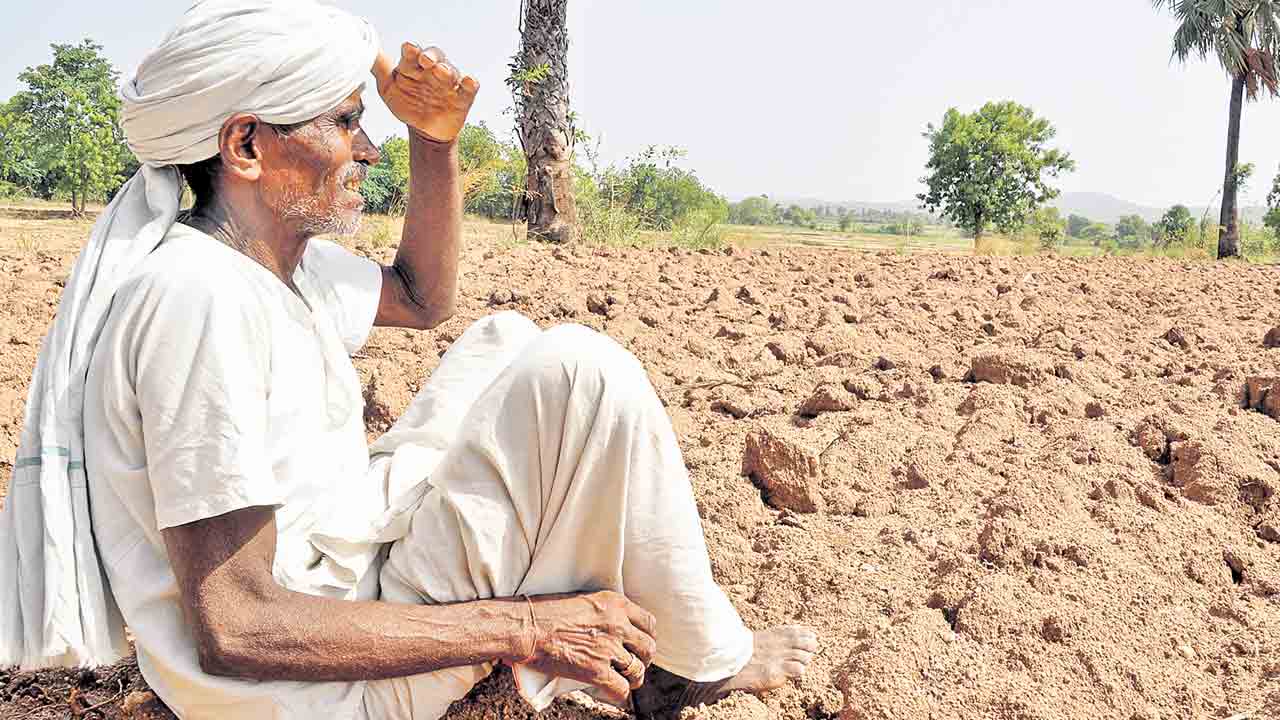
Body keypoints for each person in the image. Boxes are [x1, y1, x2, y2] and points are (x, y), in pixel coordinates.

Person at [0, 2, 818, 719]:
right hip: (306, 694)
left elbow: (426, 297)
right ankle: (695, 662)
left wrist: (437, 141)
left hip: (336, 588)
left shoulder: (273, 262)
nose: (368, 150)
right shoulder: (197, 300)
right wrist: (528, 626)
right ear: (246, 145)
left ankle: (669, 636)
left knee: (505, 342)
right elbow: (239, 627)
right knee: (579, 371)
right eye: (347, 122)